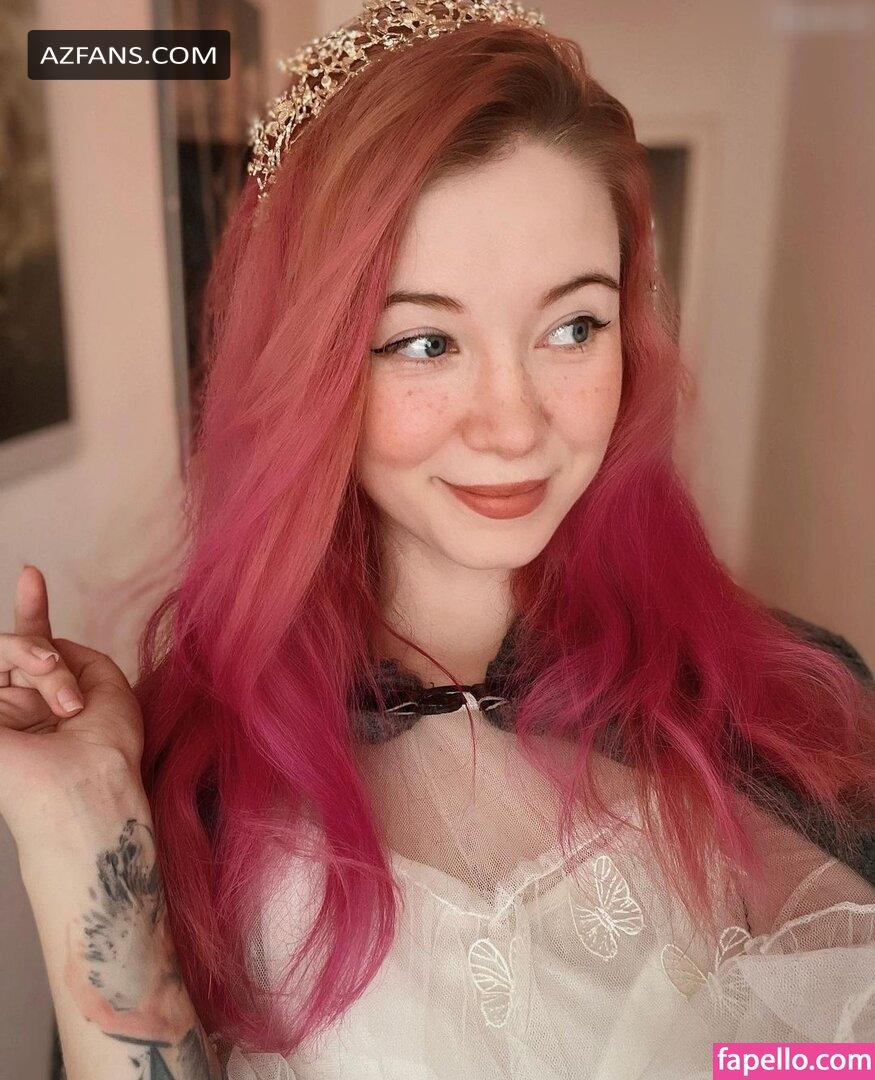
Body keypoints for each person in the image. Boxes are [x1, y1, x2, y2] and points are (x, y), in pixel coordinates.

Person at [2, 2, 874, 1078]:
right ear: (313, 366)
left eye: (572, 327)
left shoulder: (789, 704)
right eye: (424, 342)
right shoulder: (189, 781)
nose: (512, 424)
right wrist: (80, 829)